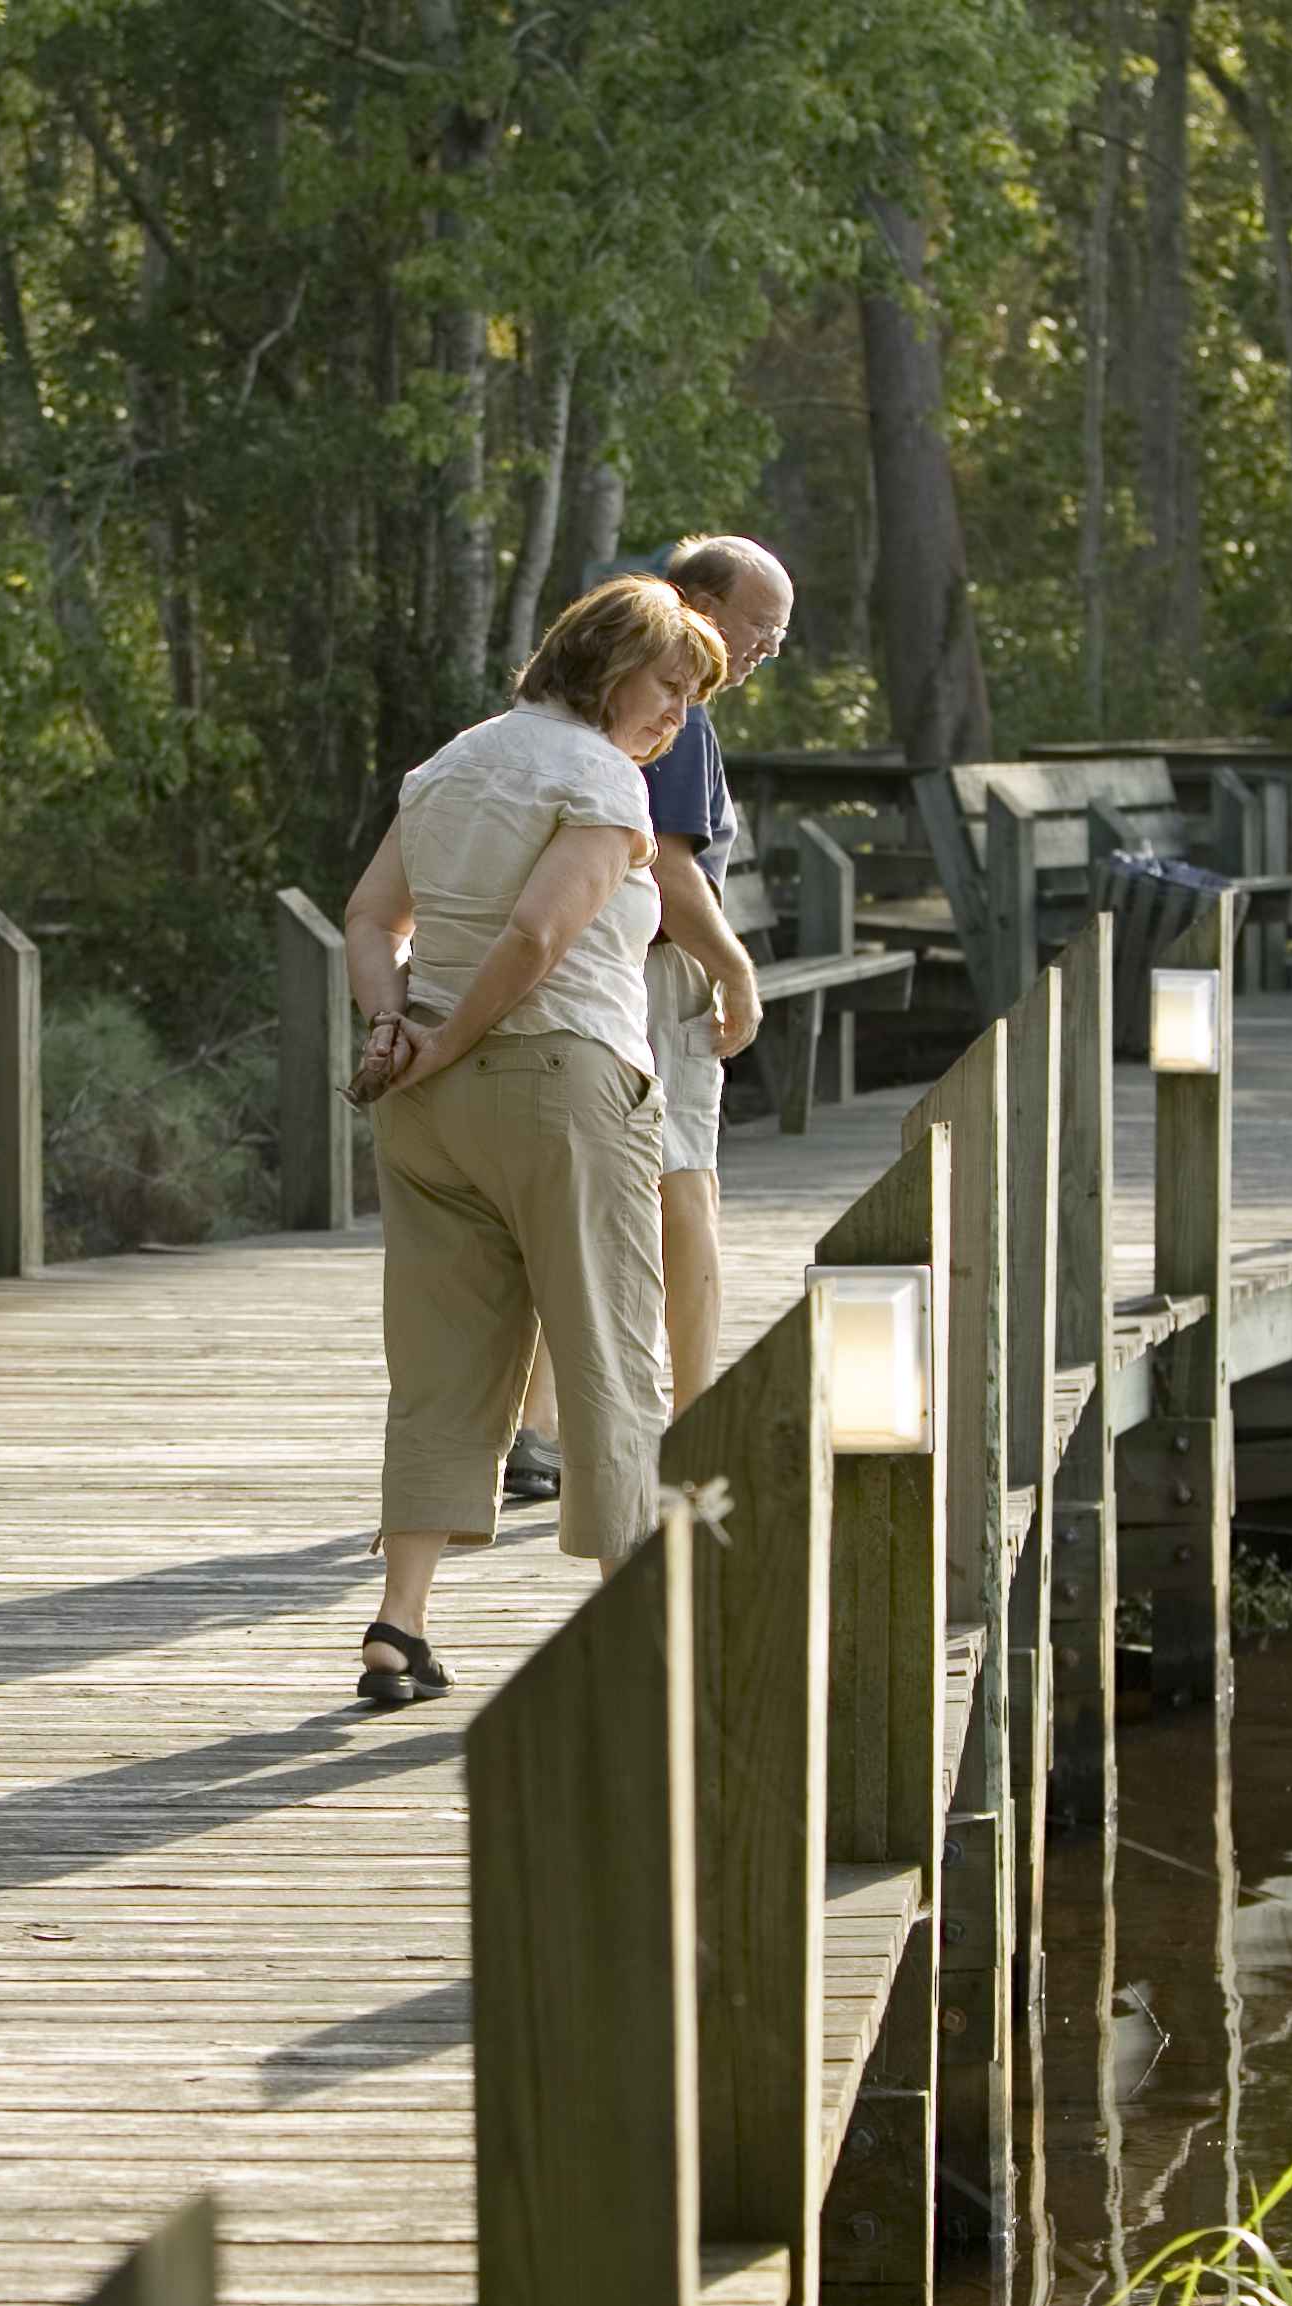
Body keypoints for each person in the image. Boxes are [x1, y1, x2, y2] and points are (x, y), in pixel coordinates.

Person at [336, 576, 729, 1704]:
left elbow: (371, 916)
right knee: (609, 1346)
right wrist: (451, 1034)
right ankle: (637, 1626)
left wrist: (394, 1030)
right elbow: (541, 934)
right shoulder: (603, 779)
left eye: (692, 698)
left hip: (423, 1105)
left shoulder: (452, 763)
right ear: (606, 665)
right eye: (667, 686)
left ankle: (398, 1623)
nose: (676, 717)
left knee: (441, 1360)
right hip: (561, 1085)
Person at [502, 534, 793, 1503]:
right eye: (761, 624)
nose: (767, 646)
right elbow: (670, 872)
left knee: (583, 1202)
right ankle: (698, 1425)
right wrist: (736, 966)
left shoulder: (591, 701)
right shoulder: (682, 712)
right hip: (653, 972)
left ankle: (534, 1426)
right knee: (687, 1191)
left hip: (590, 973)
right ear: (698, 601)